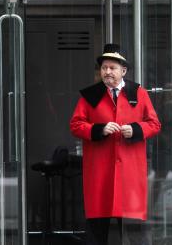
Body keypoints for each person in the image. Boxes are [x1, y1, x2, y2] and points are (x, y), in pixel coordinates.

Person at [69, 43, 161, 245]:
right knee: (97, 227)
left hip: (130, 170)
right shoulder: (90, 95)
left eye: (112, 68)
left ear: (123, 71)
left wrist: (136, 129)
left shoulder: (140, 93)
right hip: (100, 170)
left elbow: (154, 124)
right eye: (104, 68)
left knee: (132, 229)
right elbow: (75, 125)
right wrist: (98, 129)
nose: (107, 72)